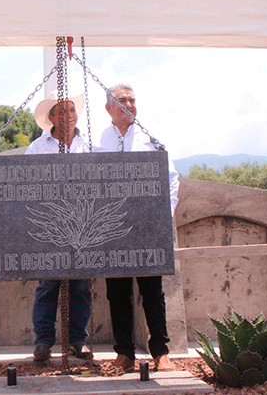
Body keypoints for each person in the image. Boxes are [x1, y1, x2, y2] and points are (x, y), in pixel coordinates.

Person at [99, 84, 179, 373]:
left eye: (133, 100)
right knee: (117, 292)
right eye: (123, 100)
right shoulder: (100, 141)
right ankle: (124, 355)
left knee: (152, 291)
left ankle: (160, 352)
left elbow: (171, 180)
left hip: (147, 229)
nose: (130, 105)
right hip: (113, 231)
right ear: (109, 108)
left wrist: (162, 216)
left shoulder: (149, 140)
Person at [26, 90, 94, 365]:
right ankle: (43, 341)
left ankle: (78, 340)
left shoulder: (87, 146)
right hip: (49, 224)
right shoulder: (37, 148)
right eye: (63, 111)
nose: (69, 116)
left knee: (80, 285)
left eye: (72, 110)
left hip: (81, 223)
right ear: (51, 117)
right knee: (47, 284)